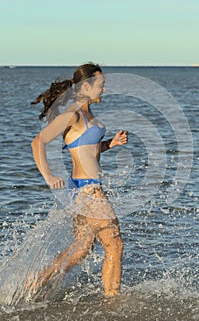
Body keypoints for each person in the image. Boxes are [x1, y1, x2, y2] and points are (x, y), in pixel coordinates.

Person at [28, 63, 128, 297]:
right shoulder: (72, 114)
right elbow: (37, 142)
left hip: (80, 189)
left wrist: (109, 144)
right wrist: (49, 176)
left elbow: (86, 150)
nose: (104, 90)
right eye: (100, 85)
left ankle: (32, 285)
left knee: (81, 249)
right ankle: (112, 304)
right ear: (86, 86)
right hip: (89, 191)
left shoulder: (87, 112)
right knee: (115, 245)